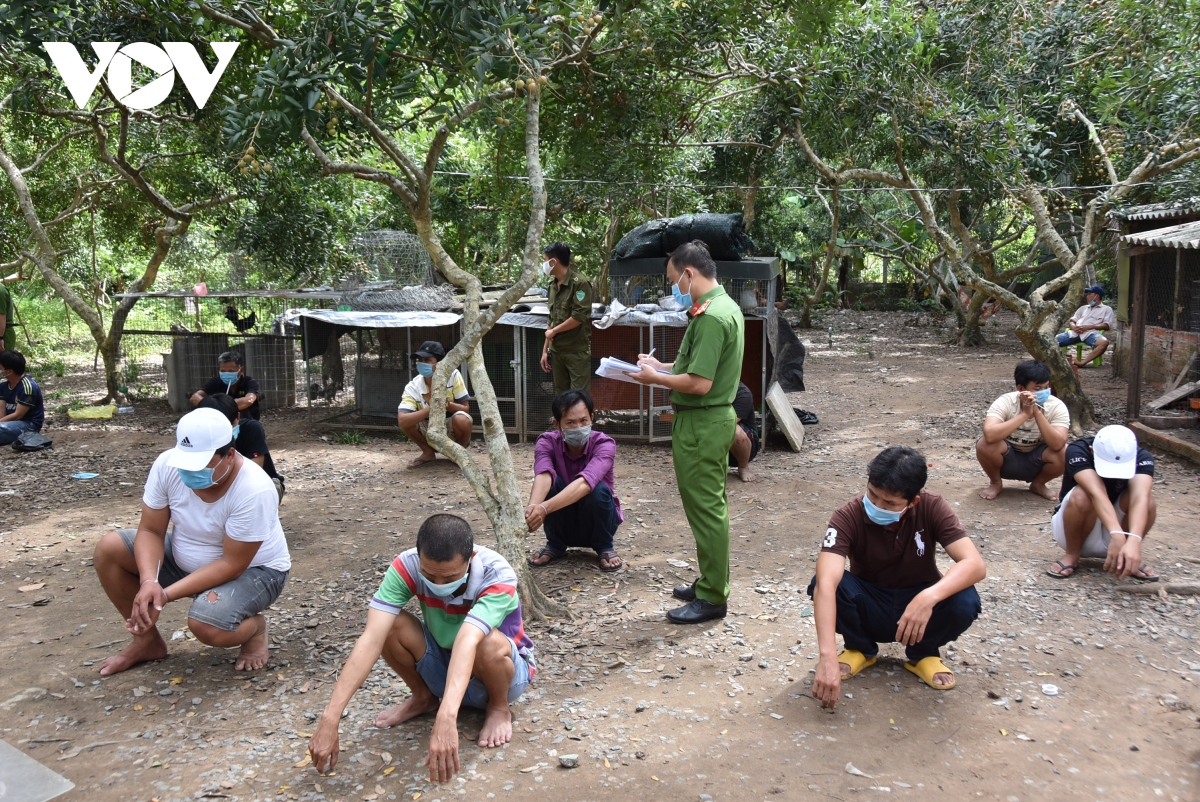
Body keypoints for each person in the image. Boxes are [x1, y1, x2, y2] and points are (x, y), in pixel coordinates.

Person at [307, 514, 534, 786]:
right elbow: (371, 639)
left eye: (449, 576)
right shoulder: (406, 566)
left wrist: (447, 718)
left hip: (503, 674)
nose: (438, 585)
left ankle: (498, 708)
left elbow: (467, 641)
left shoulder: (497, 573)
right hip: (446, 666)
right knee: (389, 625)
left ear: (471, 558)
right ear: (419, 557)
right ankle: (423, 697)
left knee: (485, 640)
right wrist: (330, 718)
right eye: (428, 575)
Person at [91, 407, 291, 676]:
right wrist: (149, 581)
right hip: (186, 556)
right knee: (110, 548)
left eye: (201, 465)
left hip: (254, 571)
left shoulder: (254, 489)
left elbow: (232, 564)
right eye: (185, 463)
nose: (189, 472)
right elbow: (150, 530)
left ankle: (255, 629)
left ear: (229, 455)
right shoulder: (167, 465)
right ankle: (147, 643)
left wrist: (164, 594)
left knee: (207, 625)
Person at [809, 447, 985, 709]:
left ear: (913, 501)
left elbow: (975, 564)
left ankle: (922, 654)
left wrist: (928, 597)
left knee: (965, 598)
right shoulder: (847, 515)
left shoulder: (933, 506)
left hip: (920, 611)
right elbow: (826, 582)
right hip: (869, 604)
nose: (877, 506)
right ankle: (859, 648)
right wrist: (827, 656)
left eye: (890, 503)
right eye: (872, 494)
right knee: (824, 584)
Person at [626, 240, 744, 624]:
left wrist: (652, 380)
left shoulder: (711, 316)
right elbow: (696, 368)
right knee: (710, 507)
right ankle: (711, 580)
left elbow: (699, 383)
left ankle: (712, 596)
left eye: (674, 280)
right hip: (710, 420)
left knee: (707, 510)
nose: (673, 288)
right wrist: (660, 366)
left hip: (702, 421)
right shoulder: (725, 307)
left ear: (689, 274)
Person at [525, 389, 624, 572]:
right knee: (553, 484)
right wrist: (533, 508)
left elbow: (586, 482)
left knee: (598, 490)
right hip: (564, 522)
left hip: (599, 522)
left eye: (583, 421)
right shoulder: (546, 442)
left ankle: (604, 546)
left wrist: (544, 508)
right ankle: (555, 544)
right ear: (557, 424)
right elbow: (544, 474)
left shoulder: (605, 444)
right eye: (570, 422)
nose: (578, 427)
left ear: (592, 418)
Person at [1047, 424, 1158, 581]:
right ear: (1093, 450)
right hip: (1076, 526)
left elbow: (1140, 496)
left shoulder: (1143, 457)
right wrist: (1117, 535)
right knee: (1082, 494)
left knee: (1148, 502)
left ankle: (1126, 556)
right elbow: (1096, 493)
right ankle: (1072, 553)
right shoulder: (1078, 450)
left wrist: (1134, 539)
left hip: (1118, 527)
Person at [976, 359, 1069, 501]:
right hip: (1007, 458)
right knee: (985, 445)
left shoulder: (1056, 406)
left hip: (1038, 460)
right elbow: (989, 435)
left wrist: (1036, 412)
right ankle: (996, 482)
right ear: (1021, 388)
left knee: (1066, 451)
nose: (1044, 392)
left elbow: (1058, 444)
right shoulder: (1006, 401)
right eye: (1037, 389)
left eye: (1046, 387)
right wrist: (1025, 415)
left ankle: (1038, 484)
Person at [396, 341, 472, 468]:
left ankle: (460, 453)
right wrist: (432, 408)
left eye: (427, 360)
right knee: (407, 421)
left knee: (462, 419)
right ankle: (428, 452)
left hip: (450, 426)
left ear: (440, 362)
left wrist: (449, 406)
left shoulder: (453, 375)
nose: (422, 363)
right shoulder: (413, 386)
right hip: (427, 427)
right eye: (420, 360)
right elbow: (402, 420)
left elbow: (466, 409)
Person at [197, 393, 285, 501]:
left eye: (230, 425)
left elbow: (253, 473)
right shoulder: (196, 436)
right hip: (216, 483)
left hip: (261, 483)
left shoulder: (252, 429)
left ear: (238, 417)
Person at [540, 242, 593, 395]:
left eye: (545, 260)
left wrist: (554, 331)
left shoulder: (579, 284)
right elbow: (551, 319)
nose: (543, 264)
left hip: (576, 351)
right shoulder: (552, 287)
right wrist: (545, 350)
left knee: (579, 396)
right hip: (557, 352)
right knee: (561, 396)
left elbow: (578, 317)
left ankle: (584, 420)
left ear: (553, 262)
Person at [190, 350, 262, 420]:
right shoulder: (215, 381)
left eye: (231, 371)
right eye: (223, 371)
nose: (227, 374)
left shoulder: (249, 382)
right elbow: (195, 397)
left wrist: (222, 406)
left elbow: (249, 400)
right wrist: (217, 406)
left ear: (241, 370)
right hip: (219, 420)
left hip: (244, 422)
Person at [1056, 285, 1114, 369]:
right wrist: (1073, 327)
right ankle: (1057, 360)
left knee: (1104, 342)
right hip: (1074, 333)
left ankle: (1082, 363)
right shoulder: (1083, 308)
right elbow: (1072, 321)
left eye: (1089, 294)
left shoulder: (1106, 309)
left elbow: (1107, 326)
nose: (1087, 296)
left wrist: (1089, 327)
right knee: (1050, 341)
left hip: (1090, 334)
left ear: (1096, 296)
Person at [0, 350, 44, 446]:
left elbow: (18, 415)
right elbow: (1, 410)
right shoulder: (3, 386)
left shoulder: (28, 387)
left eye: (1, 368)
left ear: (9, 371)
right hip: (7, 423)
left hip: (28, 425)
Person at [729, 381, 760, 483]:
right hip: (715, 441)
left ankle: (743, 466)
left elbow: (729, 423)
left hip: (746, 445)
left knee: (732, 430)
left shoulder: (742, 393)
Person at [0, 280, 16, 352]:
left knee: (4, 361)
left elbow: (1, 316)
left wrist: (0, 337)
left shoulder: (0, 290)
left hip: (4, 333)